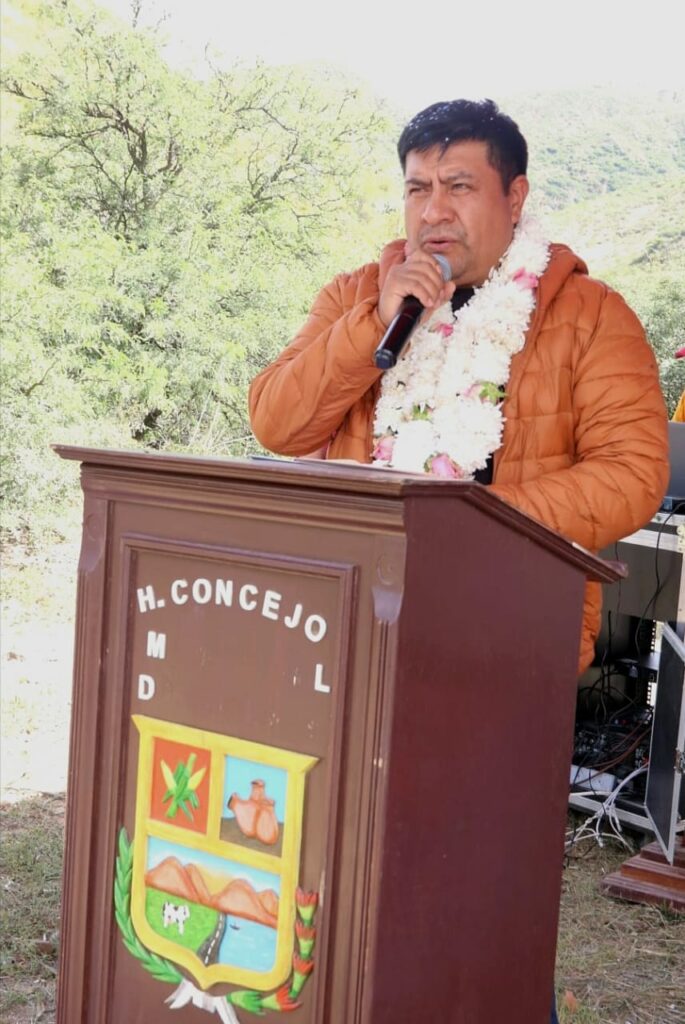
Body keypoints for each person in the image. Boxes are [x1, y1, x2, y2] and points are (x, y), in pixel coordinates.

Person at [249, 98, 670, 1022]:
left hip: (502, 646)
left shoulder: (588, 315)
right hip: (349, 636)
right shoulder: (356, 297)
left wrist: (467, 523)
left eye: (458, 186)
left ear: (514, 198)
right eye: (416, 189)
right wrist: (369, 327)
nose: (432, 211)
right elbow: (276, 421)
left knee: (479, 890)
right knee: (348, 874)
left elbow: (633, 472)